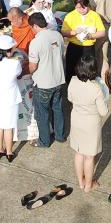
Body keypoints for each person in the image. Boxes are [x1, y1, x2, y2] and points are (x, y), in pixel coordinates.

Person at [67, 54, 110, 191]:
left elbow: (70, 98)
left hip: (76, 120)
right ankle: (89, 185)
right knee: (89, 157)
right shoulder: (96, 88)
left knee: (79, 153)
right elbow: (103, 112)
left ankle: (81, 183)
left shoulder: (73, 80)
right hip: (90, 125)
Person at [28, 12, 66, 148]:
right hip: (58, 80)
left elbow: (33, 66)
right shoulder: (57, 35)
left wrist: (27, 72)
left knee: (42, 113)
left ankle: (44, 141)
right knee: (58, 109)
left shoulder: (36, 42)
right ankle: (60, 136)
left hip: (43, 83)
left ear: (35, 26)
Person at [0, 35, 23, 161]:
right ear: (8, 51)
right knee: (8, 127)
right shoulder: (15, 63)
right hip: (9, 98)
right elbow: (18, 73)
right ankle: (9, 152)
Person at [61, 0, 106, 84]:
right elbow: (63, 32)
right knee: (72, 69)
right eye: (78, 8)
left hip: (88, 48)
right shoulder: (70, 15)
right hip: (74, 47)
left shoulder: (94, 15)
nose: (81, 10)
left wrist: (91, 36)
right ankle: (71, 87)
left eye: (83, 7)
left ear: (88, 5)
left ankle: (88, 87)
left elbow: (102, 32)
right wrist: (74, 32)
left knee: (88, 70)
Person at [86, 0, 111, 75]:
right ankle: (105, 79)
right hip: (108, 27)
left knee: (94, 55)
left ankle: (95, 77)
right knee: (104, 56)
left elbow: (89, 12)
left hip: (98, 29)